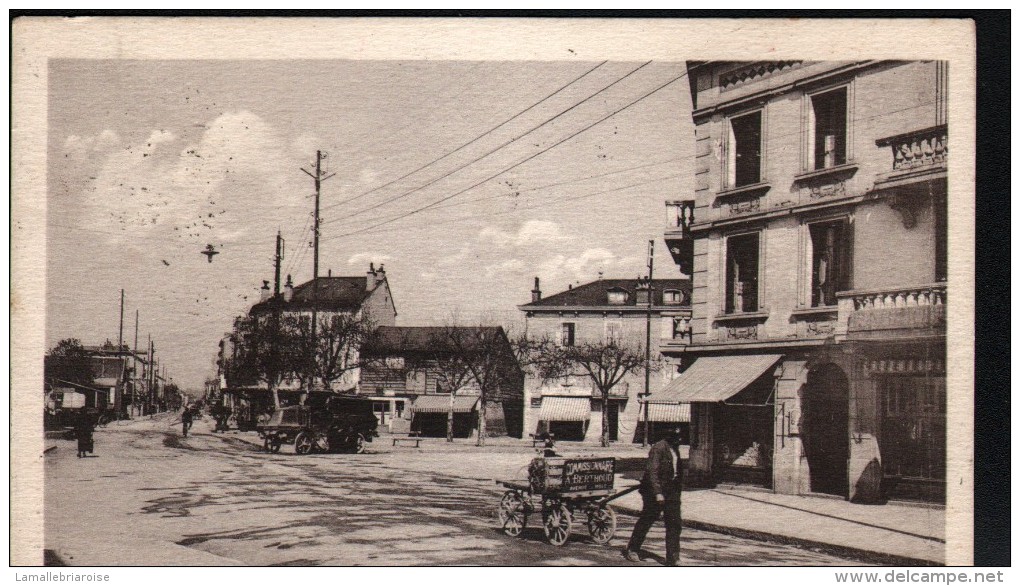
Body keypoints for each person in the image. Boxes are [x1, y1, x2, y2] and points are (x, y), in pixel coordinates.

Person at [622, 426, 684, 566]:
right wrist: (658, 493)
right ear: (670, 437)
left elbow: (677, 471)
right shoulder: (658, 448)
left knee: (674, 524)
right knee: (647, 520)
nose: (680, 440)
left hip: (671, 491)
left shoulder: (675, 449)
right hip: (654, 492)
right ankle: (632, 549)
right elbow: (652, 472)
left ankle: (673, 558)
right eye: (677, 437)